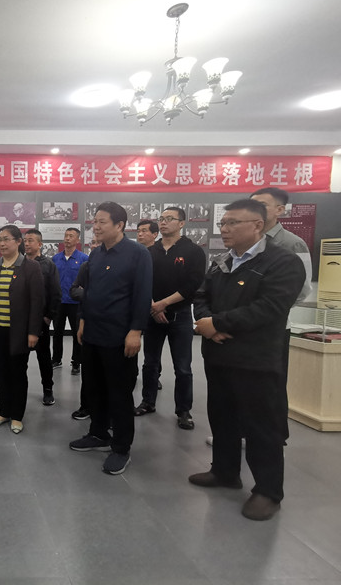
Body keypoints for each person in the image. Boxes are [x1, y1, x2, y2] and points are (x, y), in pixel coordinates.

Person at [190, 198, 305, 521]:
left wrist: (218, 324)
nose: (224, 229)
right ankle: (225, 471)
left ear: (257, 225)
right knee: (222, 416)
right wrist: (207, 323)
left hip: (256, 359)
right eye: (223, 223)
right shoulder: (222, 261)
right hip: (219, 354)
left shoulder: (282, 262)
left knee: (261, 426)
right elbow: (201, 296)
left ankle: (268, 491)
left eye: (232, 223)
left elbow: (270, 308)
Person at [69, 202, 152, 475]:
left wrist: (136, 331)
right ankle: (98, 433)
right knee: (94, 388)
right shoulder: (96, 254)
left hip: (119, 336)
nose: (96, 226)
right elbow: (88, 291)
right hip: (92, 333)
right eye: (95, 221)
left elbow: (142, 295)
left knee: (119, 393)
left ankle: (121, 448)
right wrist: (82, 320)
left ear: (119, 225)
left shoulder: (137, 254)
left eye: (101, 222)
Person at [135, 207, 206, 430]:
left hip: (180, 315)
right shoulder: (149, 251)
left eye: (169, 219)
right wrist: (153, 307)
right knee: (150, 363)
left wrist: (163, 304)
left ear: (182, 223)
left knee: (182, 367)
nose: (164, 222)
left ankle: (183, 410)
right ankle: (148, 401)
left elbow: (192, 285)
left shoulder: (193, 251)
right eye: (161, 219)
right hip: (152, 314)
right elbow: (142, 281)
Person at [0, 225, 44, 434]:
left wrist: (33, 332)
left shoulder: (31, 267)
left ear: (18, 241)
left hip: (19, 332)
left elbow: (37, 302)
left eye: (6, 239)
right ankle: (3, 411)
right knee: (0, 372)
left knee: (17, 373)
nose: (2, 243)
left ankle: (17, 415)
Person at [23, 229, 61, 406]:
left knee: (44, 357)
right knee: (19, 358)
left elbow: (55, 292)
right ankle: (19, 390)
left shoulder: (48, 265)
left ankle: (47, 389)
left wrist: (48, 316)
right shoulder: (19, 263)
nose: (27, 243)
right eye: (25, 240)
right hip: (21, 319)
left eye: (30, 240)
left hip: (40, 320)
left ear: (39, 244)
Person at [52, 228, 89, 377]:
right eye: (66, 235)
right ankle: (56, 359)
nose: (67, 238)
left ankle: (76, 362)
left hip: (75, 303)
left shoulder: (84, 259)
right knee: (57, 332)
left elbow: (87, 281)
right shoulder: (56, 258)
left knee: (76, 333)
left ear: (77, 240)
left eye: (71, 236)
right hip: (59, 302)